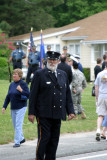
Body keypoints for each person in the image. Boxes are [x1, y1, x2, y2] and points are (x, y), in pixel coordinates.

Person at [28, 51, 75, 160]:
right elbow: (33, 95)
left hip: (58, 112)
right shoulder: (39, 74)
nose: (52, 62)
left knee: (54, 140)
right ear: (46, 60)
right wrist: (31, 113)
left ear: (58, 61)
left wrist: (71, 111)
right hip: (43, 112)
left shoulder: (62, 74)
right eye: (50, 59)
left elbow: (67, 94)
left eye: (54, 60)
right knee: (44, 138)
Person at [2, 69, 30, 147]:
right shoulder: (11, 85)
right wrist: (4, 106)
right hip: (13, 107)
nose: (14, 75)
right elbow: (8, 96)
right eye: (13, 74)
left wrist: (21, 90)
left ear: (20, 76)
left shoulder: (23, 84)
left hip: (21, 107)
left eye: (16, 74)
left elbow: (28, 94)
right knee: (15, 125)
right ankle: (21, 138)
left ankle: (17, 142)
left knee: (18, 125)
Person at [95, 61, 107, 141]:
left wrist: (97, 98)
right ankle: (104, 131)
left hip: (101, 96)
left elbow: (96, 87)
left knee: (100, 115)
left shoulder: (99, 74)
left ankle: (98, 129)